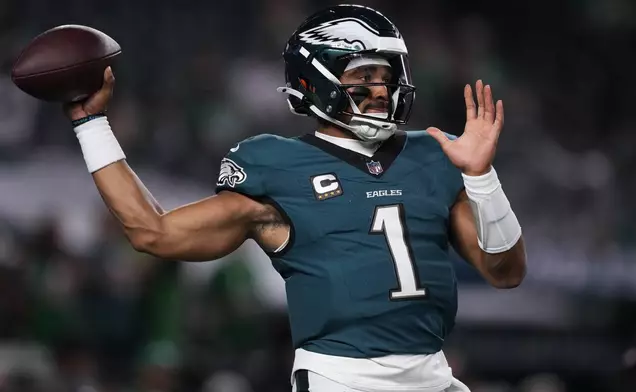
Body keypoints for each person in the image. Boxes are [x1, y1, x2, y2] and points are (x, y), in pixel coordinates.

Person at [64, 4, 527, 392]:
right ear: (315, 81)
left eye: (386, 76)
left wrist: (483, 176)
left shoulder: (434, 153)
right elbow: (152, 231)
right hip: (342, 379)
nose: (381, 89)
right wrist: (92, 126)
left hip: (435, 376)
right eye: (364, 74)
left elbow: (505, 272)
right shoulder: (278, 167)